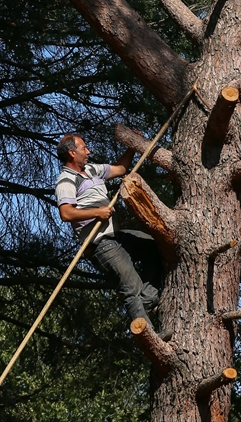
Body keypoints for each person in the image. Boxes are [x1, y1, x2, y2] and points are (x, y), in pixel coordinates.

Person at [54, 133, 163, 326]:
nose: (88, 151)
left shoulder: (91, 169)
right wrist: (97, 212)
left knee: (154, 246)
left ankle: (147, 300)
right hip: (101, 243)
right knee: (131, 288)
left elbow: (120, 169)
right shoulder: (66, 180)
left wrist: (132, 146)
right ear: (72, 153)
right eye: (84, 148)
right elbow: (66, 214)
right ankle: (150, 333)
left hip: (117, 236)